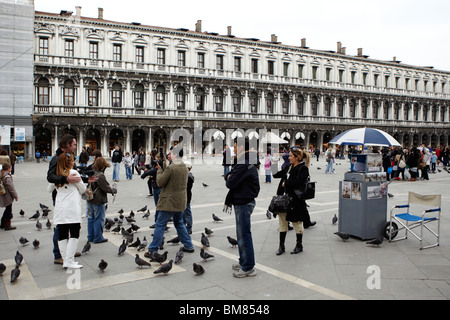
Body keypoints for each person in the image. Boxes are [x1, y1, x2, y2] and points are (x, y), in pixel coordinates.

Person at [47, 134, 96, 265]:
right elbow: (50, 177)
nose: (75, 147)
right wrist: (66, 179)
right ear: (67, 144)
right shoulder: (57, 158)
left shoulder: (68, 157)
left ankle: (67, 252)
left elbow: (74, 176)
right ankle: (59, 254)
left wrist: (86, 179)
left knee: (64, 226)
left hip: (63, 196)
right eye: (74, 144)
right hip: (63, 198)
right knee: (62, 227)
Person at [145, 147, 194, 256]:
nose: (168, 155)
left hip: (169, 201)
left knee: (160, 224)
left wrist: (159, 171)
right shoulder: (184, 167)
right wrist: (163, 169)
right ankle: (189, 245)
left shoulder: (171, 168)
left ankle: (153, 249)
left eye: (171, 153)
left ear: (175, 155)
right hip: (180, 200)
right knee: (179, 223)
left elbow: (160, 182)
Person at [225, 137, 260, 278]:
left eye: (234, 146)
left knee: (244, 235)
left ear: (240, 147)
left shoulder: (243, 163)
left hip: (243, 202)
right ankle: (244, 261)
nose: (233, 149)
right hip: (244, 200)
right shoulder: (247, 161)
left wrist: (229, 177)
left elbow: (230, 182)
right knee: (241, 235)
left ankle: (248, 267)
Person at [47, 153, 86, 269]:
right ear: (69, 163)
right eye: (73, 161)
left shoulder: (57, 175)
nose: (74, 162)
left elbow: (49, 189)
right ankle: (69, 260)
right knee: (74, 234)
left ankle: (65, 260)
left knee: (62, 234)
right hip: (72, 208)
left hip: (60, 208)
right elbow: (83, 189)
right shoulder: (73, 173)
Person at [86, 157, 117, 244]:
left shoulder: (91, 172)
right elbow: (106, 187)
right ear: (101, 166)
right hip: (98, 199)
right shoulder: (100, 175)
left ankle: (90, 236)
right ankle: (98, 237)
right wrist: (113, 190)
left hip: (89, 199)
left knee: (90, 218)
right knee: (99, 219)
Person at [0, 163, 18, 230]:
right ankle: (7, 225)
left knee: (7, 209)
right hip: (7, 195)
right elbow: (11, 187)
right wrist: (15, 196)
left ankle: (2, 223)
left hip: (3, 194)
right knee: (8, 210)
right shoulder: (7, 176)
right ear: (8, 168)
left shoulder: (1, 174)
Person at [183, 161, 194, 234]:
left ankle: (189, 228)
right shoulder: (188, 175)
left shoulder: (188, 177)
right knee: (183, 213)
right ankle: (183, 227)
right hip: (185, 196)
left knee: (187, 213)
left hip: (186, 197)